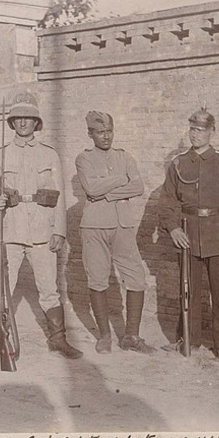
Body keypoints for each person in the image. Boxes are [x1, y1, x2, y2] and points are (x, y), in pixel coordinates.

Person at [0, 90, 82, 363]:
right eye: (18, 119)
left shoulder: (49, 155)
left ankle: (58, 340)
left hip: (41, 231)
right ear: (12, 123)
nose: (23, 123)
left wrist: (59, 230)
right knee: (1, 289)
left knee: (49, 288)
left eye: (28, 118)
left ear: (37, 123)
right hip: (9, 231)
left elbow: (59, 195)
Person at [160, 108, 219, 361]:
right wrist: (174, 227)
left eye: (200, 130)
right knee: (188, 289)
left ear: (212, 132)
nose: (195, 135)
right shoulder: (178, 164)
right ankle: (190, 339)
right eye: (192, 129)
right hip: (188, 233)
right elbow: (167, 201)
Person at [75, 110, 155, 355]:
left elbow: (138, 187)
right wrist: (121, 180)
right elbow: (90, 187)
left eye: (109, 131)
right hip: (95, 225)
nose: (106, 137)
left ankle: (131, 335)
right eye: (100, 132)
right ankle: (104, 336)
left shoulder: (125, 157)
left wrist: (106, 193)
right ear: (90, 134)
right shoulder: (84, 159)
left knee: (136, 278)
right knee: (98, 279)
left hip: (122, 225)